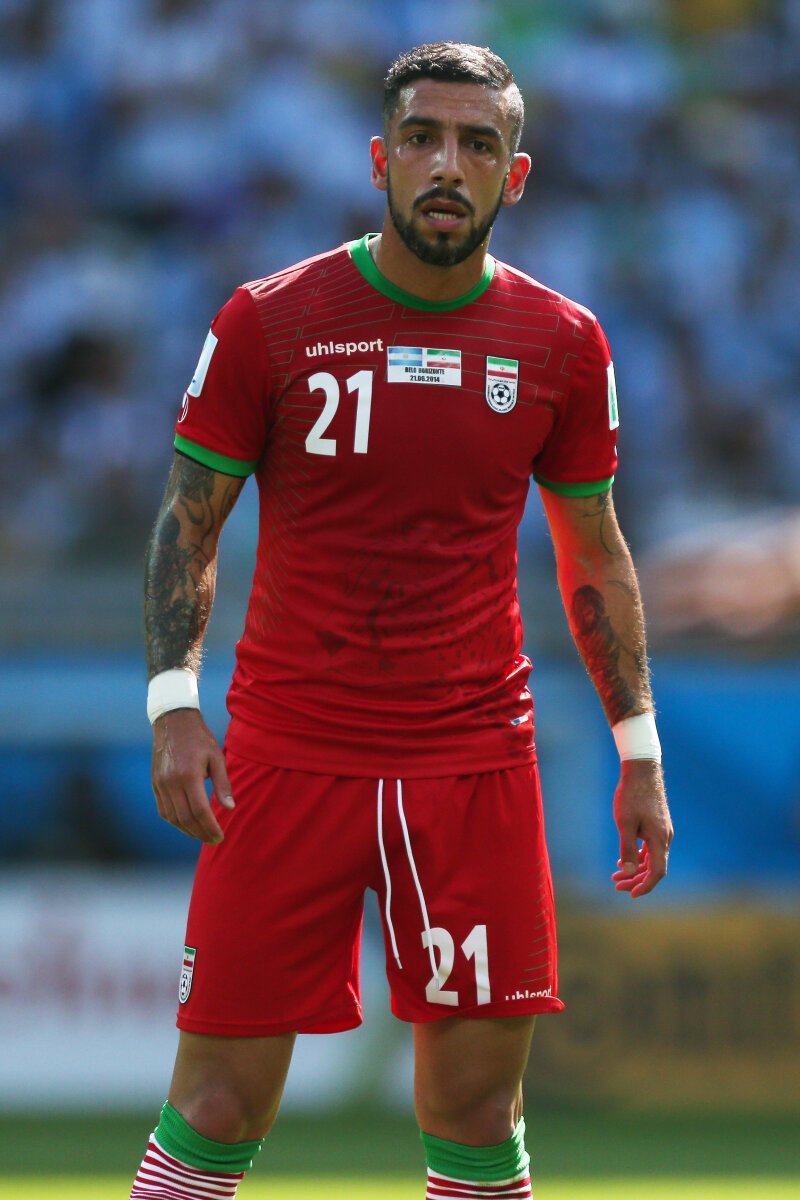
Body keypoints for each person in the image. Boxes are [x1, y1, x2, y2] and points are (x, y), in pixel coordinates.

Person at [131, 41, 673, 1200]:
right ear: (380, 160)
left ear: (511, 176)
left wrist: (637, 749)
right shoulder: (269, 320)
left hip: (472, 761)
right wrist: (174, 703)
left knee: (477, 1114)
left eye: (477, 145)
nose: (445, 165)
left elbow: (593, 552)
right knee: (215, 1107)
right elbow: (188, 521)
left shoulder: (562, 342)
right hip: (286, 754)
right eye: (421, 138)